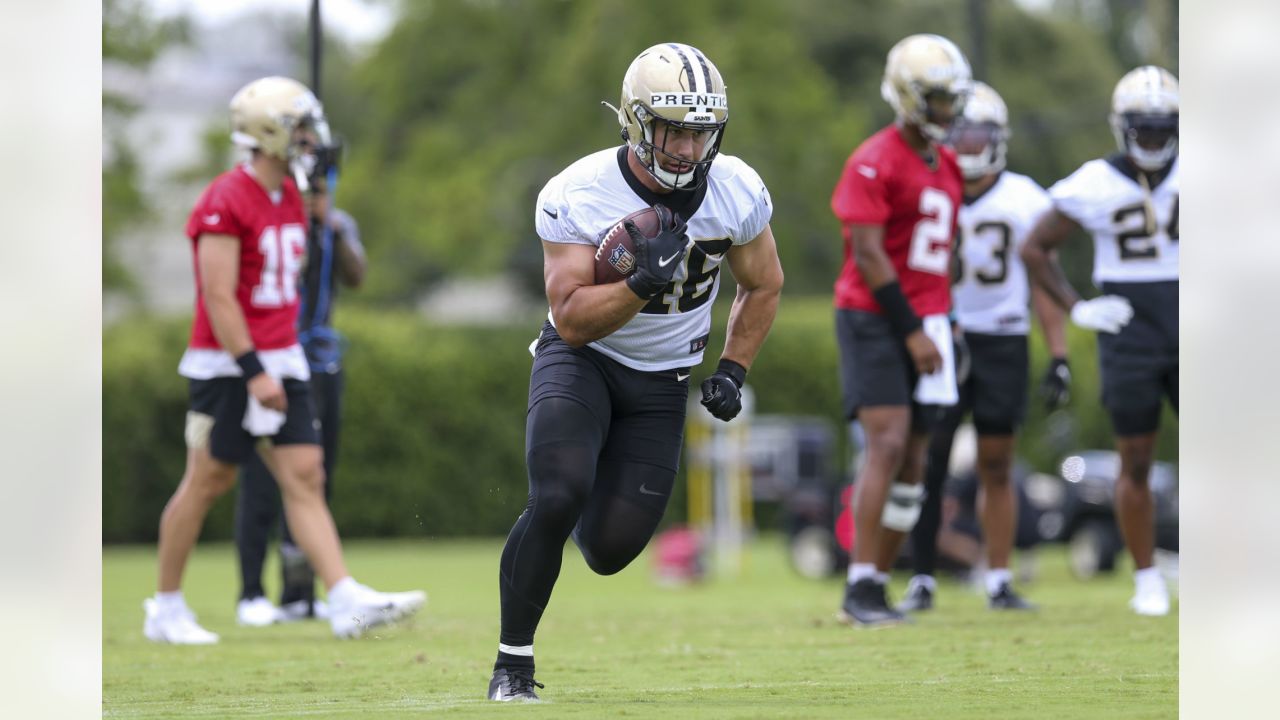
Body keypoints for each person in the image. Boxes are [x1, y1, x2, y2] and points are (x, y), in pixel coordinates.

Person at [489, 43, 784, 701]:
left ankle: (583, 475)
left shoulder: (737, 190)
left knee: (611, 550)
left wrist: (733, 368)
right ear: (634, 120)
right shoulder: (579, 191)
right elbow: (569, 318)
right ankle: (513, 665)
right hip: (583, 361)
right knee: (559, 492)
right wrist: (641, 283)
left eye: (699, 129)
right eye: (672, 127)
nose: (685, 144)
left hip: (662, 382)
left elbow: (763, 285)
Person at [143, 76, 424, 644]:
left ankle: (343, 597)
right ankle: (165, 608)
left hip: (285, 355)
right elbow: (217, 296)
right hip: (229, 364)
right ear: (268, 131)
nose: (309, 139)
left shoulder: (295, 197)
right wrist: (253, 372)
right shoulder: (224, 197)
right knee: (207, 480)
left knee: (306, 476)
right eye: (299, 128)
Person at [897, 82, 1068, 613]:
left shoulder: (1025, 198)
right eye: (961, 135)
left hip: (1002, 337)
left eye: (979, 136)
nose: (969, 147)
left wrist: (1059, 354)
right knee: (928, 462)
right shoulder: (928, 185)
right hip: (940, 336)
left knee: (997, 462)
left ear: (998, 139)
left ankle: (997, 578)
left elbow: (1044, 280)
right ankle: (921, 576)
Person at [1021, 66, 1178, 617]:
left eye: (1163, 127)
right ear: (1123, 127)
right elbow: (1035, 247)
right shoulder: (1095, 180)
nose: (1154, 138)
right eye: (1145, 127)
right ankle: (1147, 577)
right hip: (1130, 326)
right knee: (1134, 458)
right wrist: (1078, 306)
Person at [830, 33, 970, 627]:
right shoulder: (874, 158)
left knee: (917, 458)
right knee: (886, 443)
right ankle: (858, 584)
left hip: (930, 320)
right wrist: (914, 329)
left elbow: (944, 253)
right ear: (910, 97)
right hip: (874, 317)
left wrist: (945, 321)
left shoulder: (951, 164)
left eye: (951, 98)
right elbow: (868, 255)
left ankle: (878, 582)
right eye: (937, 98)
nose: (948, 110)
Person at [233, 154, 368, 627]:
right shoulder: (270, 217)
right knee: (260, 480)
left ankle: (301, 591)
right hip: (273, 358)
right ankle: (250, 592)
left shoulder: (334, 222)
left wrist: (326, 225)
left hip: (318, 361)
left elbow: (356, 275)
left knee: (313, 476)